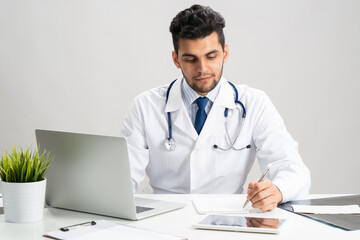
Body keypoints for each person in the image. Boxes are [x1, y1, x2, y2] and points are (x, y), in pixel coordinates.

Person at [120, 4, 311, 211]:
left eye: (211, 57)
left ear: (225, 53)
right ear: (176, 59)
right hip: (160, 217)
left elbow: (294, 171)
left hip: (224, 218)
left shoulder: (254, 103)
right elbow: (122, 178)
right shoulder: (145, 105)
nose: (202, 69)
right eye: (191, 59)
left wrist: (277, 190)